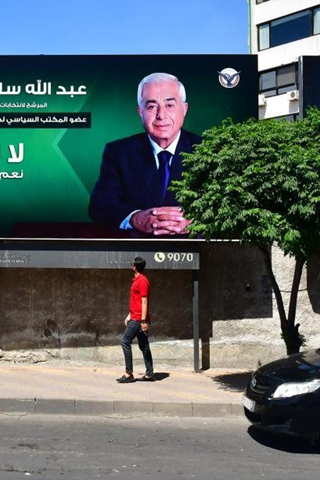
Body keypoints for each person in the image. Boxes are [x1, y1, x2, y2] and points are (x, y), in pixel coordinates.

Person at [89, 72, 201, 236]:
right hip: (136, 254)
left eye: (169, 105)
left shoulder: (208, 150)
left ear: (184, 109)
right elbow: (100, 206)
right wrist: (135, 218)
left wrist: (196, 220)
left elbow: (232, 206)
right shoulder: (119, 152)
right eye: (151, 106)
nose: (161, 115)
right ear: (140, 112)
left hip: (198, 252)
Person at [117, 256, 155, 383]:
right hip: (136, 317)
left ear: (135, 266)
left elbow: (144, 301)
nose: (131, 264)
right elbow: (137, 301)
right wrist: (129, 314)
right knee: (144, 346)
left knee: (125, 342)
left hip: (138, 320)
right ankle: (149, 374)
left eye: (132, 263)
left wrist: (143, 321)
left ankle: (129, 374)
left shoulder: (142, 281)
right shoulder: (137, 280)